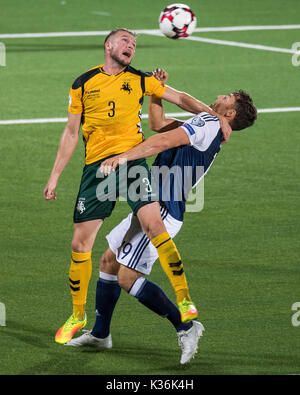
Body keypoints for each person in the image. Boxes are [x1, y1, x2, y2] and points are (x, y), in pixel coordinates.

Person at [43, 29, 232, 345]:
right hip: (96, 167)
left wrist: (212, 114)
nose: (131, 45)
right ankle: (84, 320)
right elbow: (71, 133)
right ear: (109, 45)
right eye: (125, 41)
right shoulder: (82, 83)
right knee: (83, 246)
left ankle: (185, 316)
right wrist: (54, 177)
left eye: (134, 43)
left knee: (150, 226)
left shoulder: (142, 79)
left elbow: (181, 99)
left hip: (131, 163)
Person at [65, 69, 257, 364]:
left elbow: (161, 144)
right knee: (108, 262)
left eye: (225, 97)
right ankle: (101, 334)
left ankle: (187, 326)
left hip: (163, 207)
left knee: (127, 277)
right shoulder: (207, 123)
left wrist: (123, 157)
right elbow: (157, 125)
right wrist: (158, 90)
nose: (219, 96)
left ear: (230, 112)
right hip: (152, 200)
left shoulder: (208, 124)